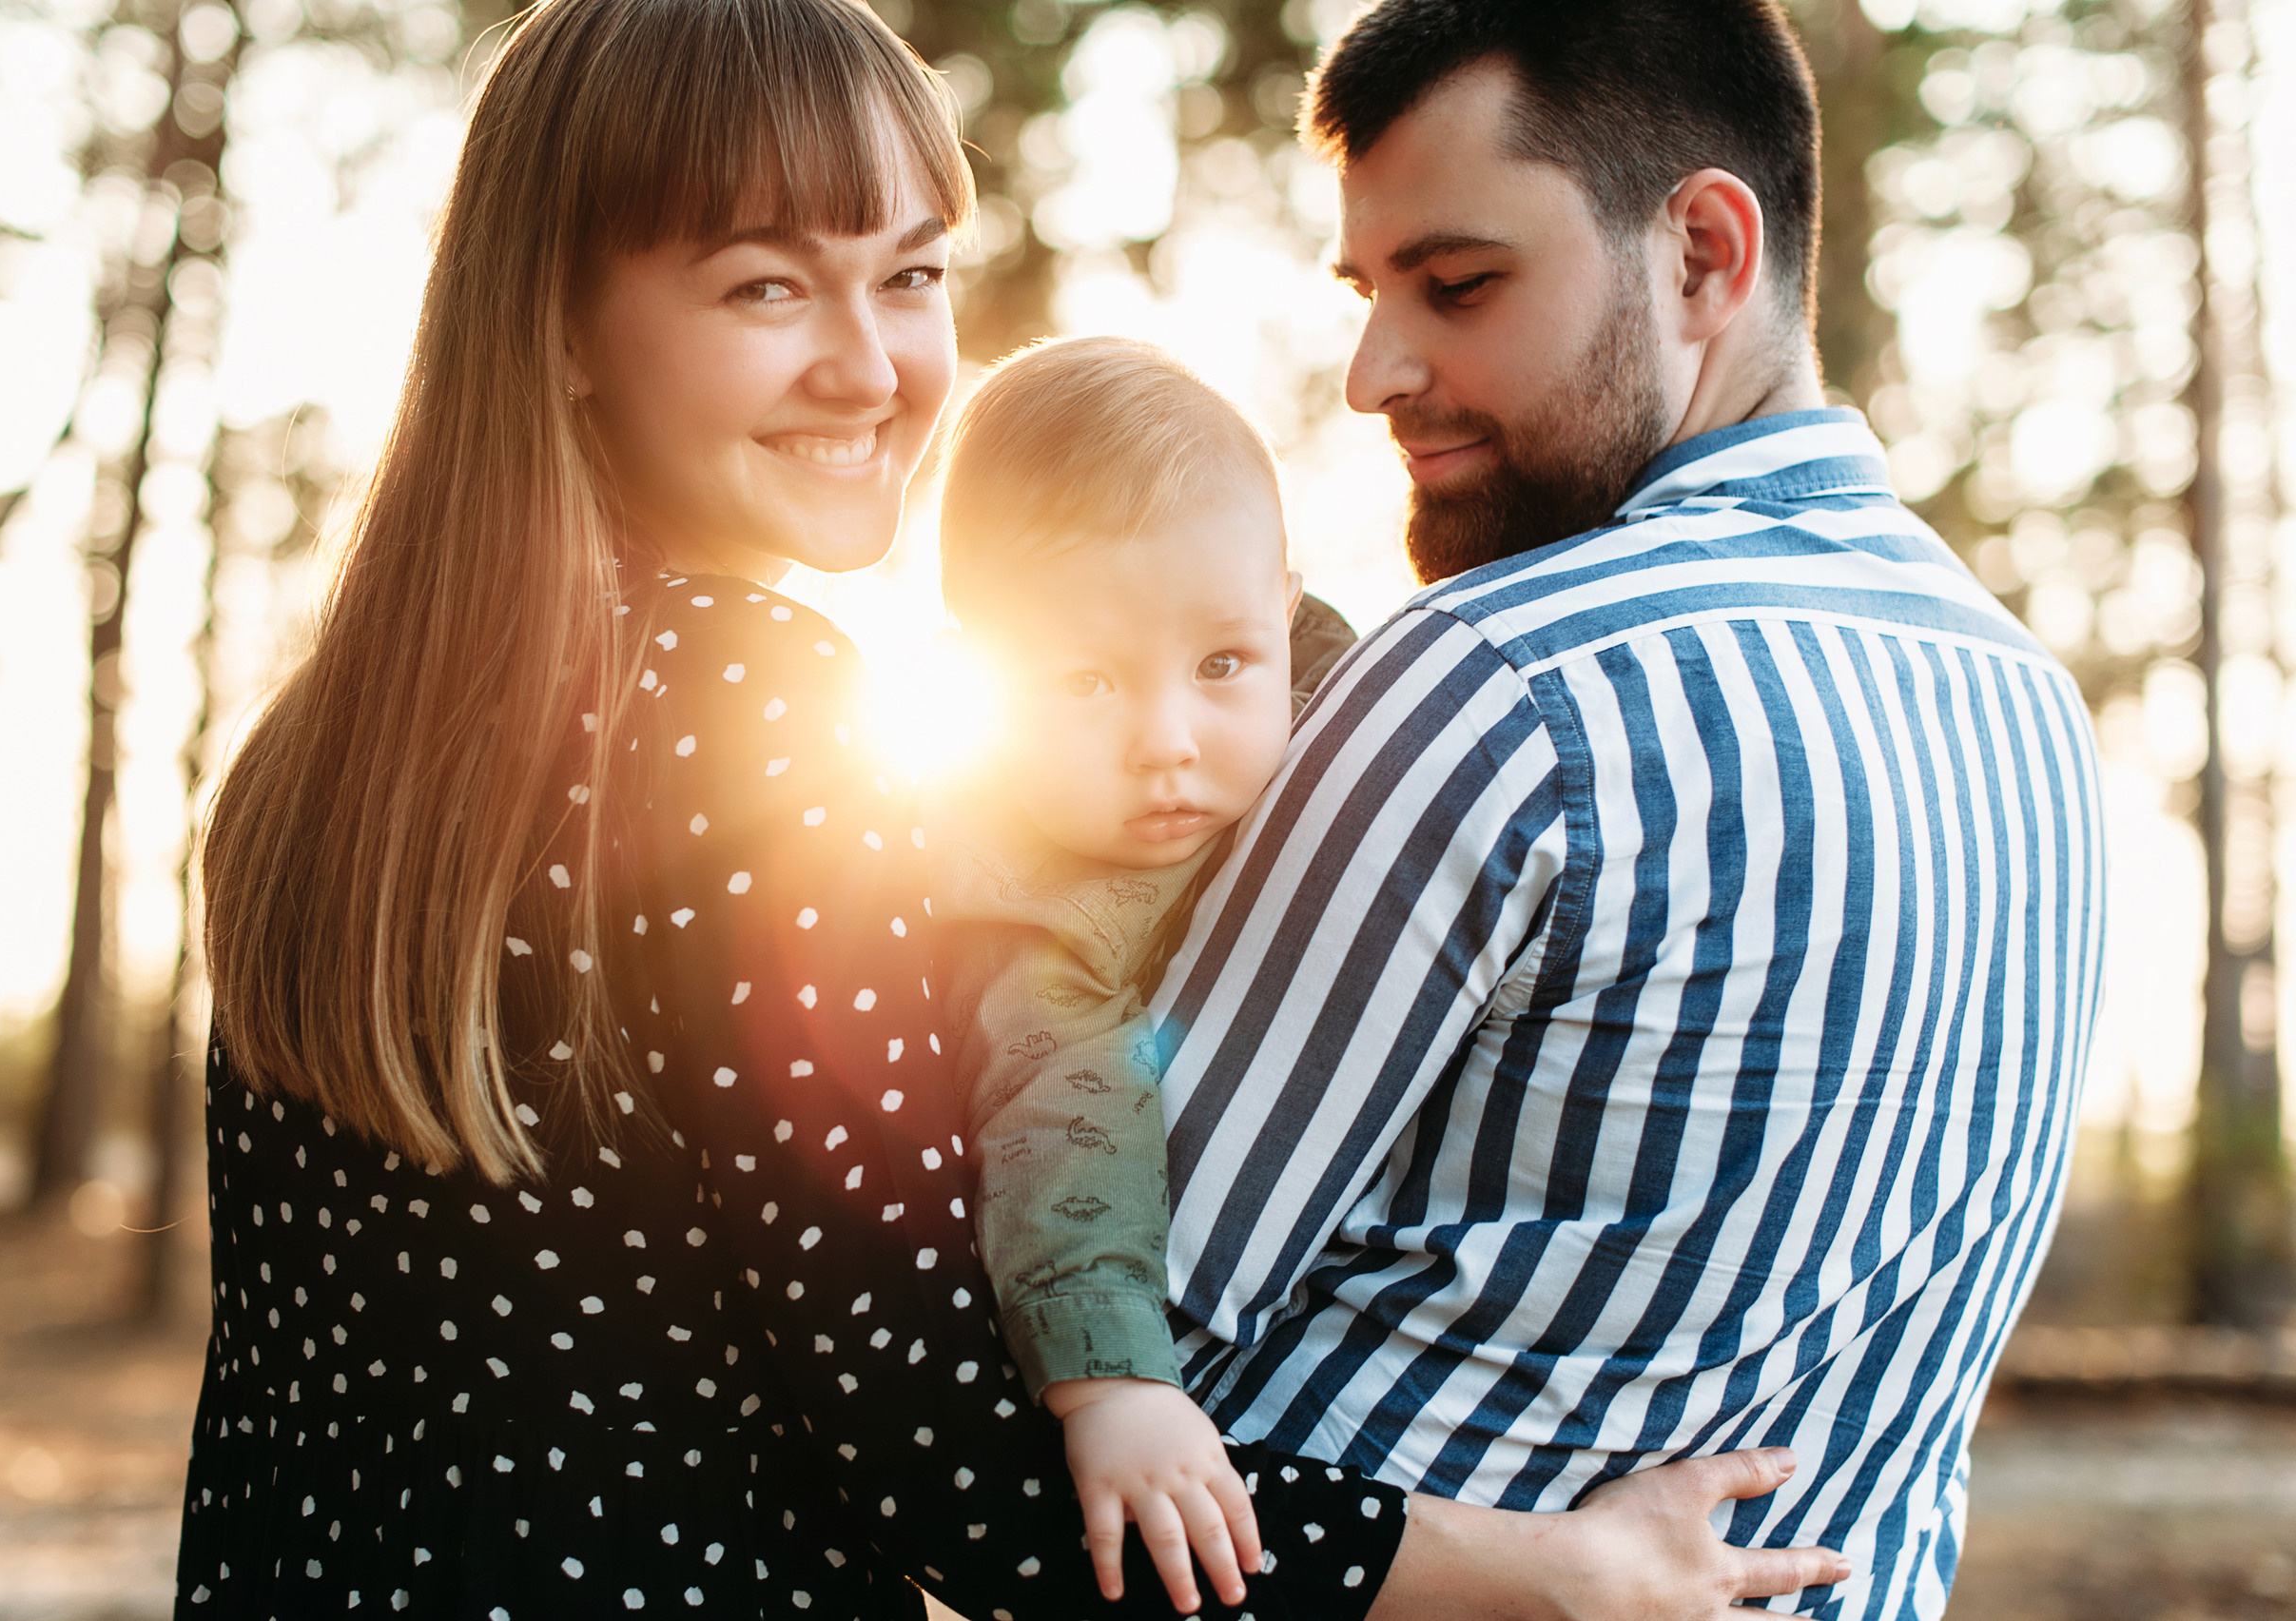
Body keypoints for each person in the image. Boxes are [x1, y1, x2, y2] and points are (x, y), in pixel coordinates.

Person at [176, 0, 1853, 1613]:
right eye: (768, 286)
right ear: (556, 323)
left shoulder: (320, 752)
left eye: (907, 276)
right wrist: (1550, 1575)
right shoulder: (748, 700)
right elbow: (954, 1464)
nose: (872, 366)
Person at [1148, 3, 2103, 1619]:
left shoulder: (1499, 677)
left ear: (1704, 255)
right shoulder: (2035, 712)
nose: (1379, 371)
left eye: (1458, 287)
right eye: (1369, 294)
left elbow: (1091, 1318)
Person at [928, 337, 1357, 1611]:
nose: (1166, 744)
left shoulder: (1351, 698)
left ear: (1283, 611)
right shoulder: (1033, 905)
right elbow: (1065, 1123)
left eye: (1221, 665)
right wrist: (1114, 1385)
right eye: (1086, 681)